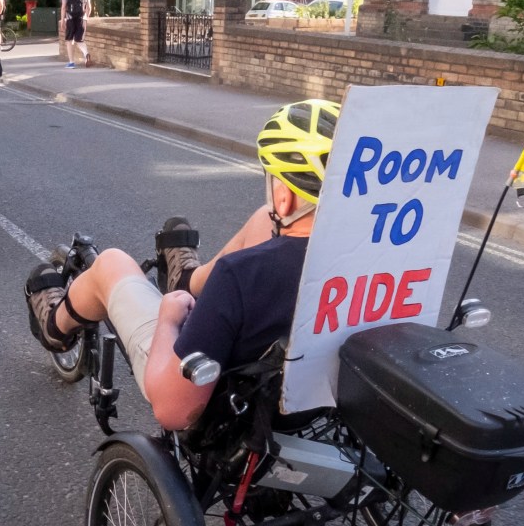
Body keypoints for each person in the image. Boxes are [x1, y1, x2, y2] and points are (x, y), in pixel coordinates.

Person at [24, 99, 339, 430]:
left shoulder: (239, 276)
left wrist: (168, 320)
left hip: (223, 408)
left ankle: (55, 329)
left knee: (110, 263)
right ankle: (187, 280)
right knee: (265, 218)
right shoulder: (371, 265)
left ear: (284, 197)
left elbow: (172, 410)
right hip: (312, 399)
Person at [59, 0, 91, 68]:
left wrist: (62, 20)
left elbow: (63, 7)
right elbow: (89, 6)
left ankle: (71, 63)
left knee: (69, 40)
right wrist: (86, 18)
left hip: (70, 18)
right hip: (81, 17)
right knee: (79, 39)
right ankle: (86, 53)